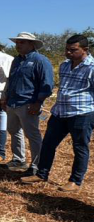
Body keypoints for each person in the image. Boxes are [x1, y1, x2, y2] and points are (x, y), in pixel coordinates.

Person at [21, 35, 94, 192]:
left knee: (80, 147)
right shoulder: (65, 65)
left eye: (73, 50)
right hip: (60, 112)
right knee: (48, 144)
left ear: (85, 50)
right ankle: (42, 174)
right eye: (66, 49)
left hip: (81, 113)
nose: (68, 53)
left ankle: (75, 181)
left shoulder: (92, 68)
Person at [1, 32, 54, 175]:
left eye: (22, 42)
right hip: (12, 102)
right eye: (17, 42)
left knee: (32, 134)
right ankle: (18, 159)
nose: (18, 45)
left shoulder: (40, 60)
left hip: (28, 103)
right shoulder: (16, 61)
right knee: (14, 131)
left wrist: (38, 102)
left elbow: (47, 84)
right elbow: (10, 80)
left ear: (32, 44)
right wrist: (4, 97)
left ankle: (37, 165)